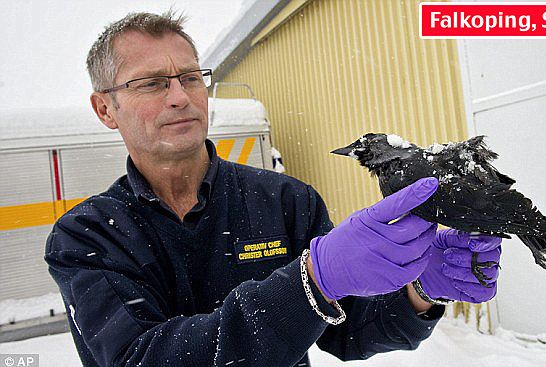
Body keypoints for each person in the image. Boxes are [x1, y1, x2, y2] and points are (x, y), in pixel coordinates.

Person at [45, 11, 502, 367]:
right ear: (105, 108)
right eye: (151, 83)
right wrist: (309, 282)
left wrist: (419, 290)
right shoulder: (87, 237)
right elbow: (142, 358)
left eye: (189, 77)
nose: (180, 96)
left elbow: (348, 330)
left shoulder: (286, 201)